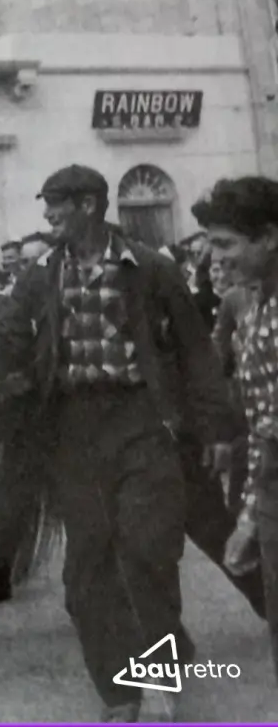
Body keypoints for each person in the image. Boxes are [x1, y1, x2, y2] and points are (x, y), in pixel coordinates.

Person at [0, 165, 238, 723]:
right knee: (86, 576)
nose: (49, 215)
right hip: (73, 431)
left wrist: (218, 429)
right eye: (47, 204)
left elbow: (197, 352)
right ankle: (119, 692)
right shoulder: (41, 275)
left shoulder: (151, 269)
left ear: (88, 205)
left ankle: (159, 683)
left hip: (142, 423)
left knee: (147, 551)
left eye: (57, 204)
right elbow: (0, 342)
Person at [194, 177, 278, 685]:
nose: (215, 257)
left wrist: (249, 513)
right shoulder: (250, 302)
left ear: (268, 236)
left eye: (226, 244)